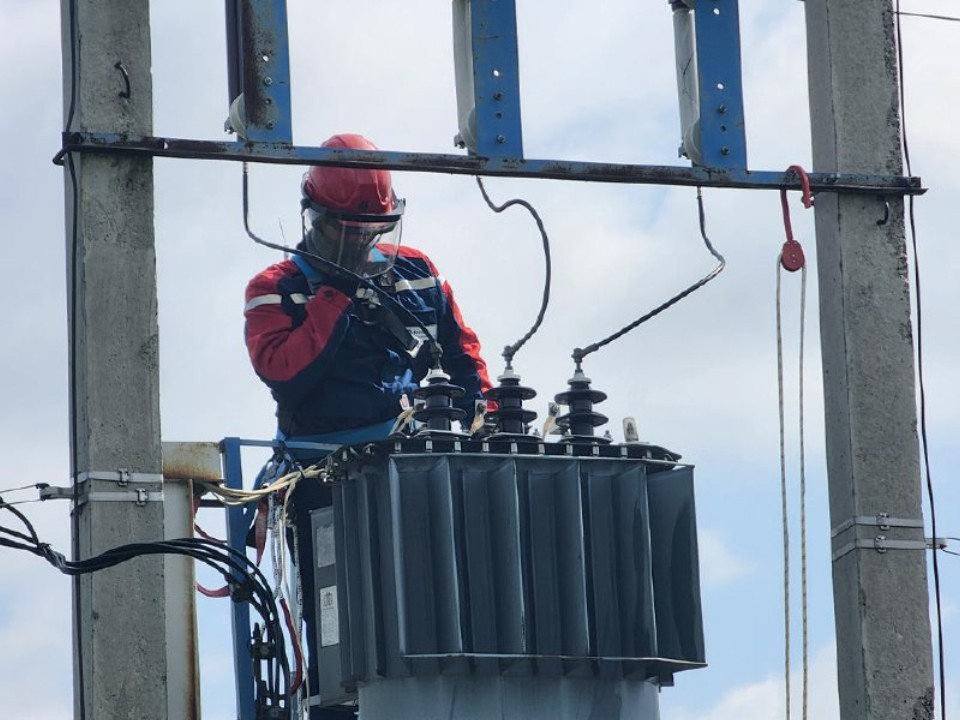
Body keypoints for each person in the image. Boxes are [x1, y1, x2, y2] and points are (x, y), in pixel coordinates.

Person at [243, 132, 492, 716]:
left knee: (436, 601)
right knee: (340, 614)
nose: (361, 241)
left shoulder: (417, 273)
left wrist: (486, 416)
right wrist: (335, 295)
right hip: (322, 482)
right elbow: (284, 371)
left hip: (412, 475)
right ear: (317, 218)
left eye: (371, 230)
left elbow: (461, 356)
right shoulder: (277, 288)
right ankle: (337, 704)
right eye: (347, 232)